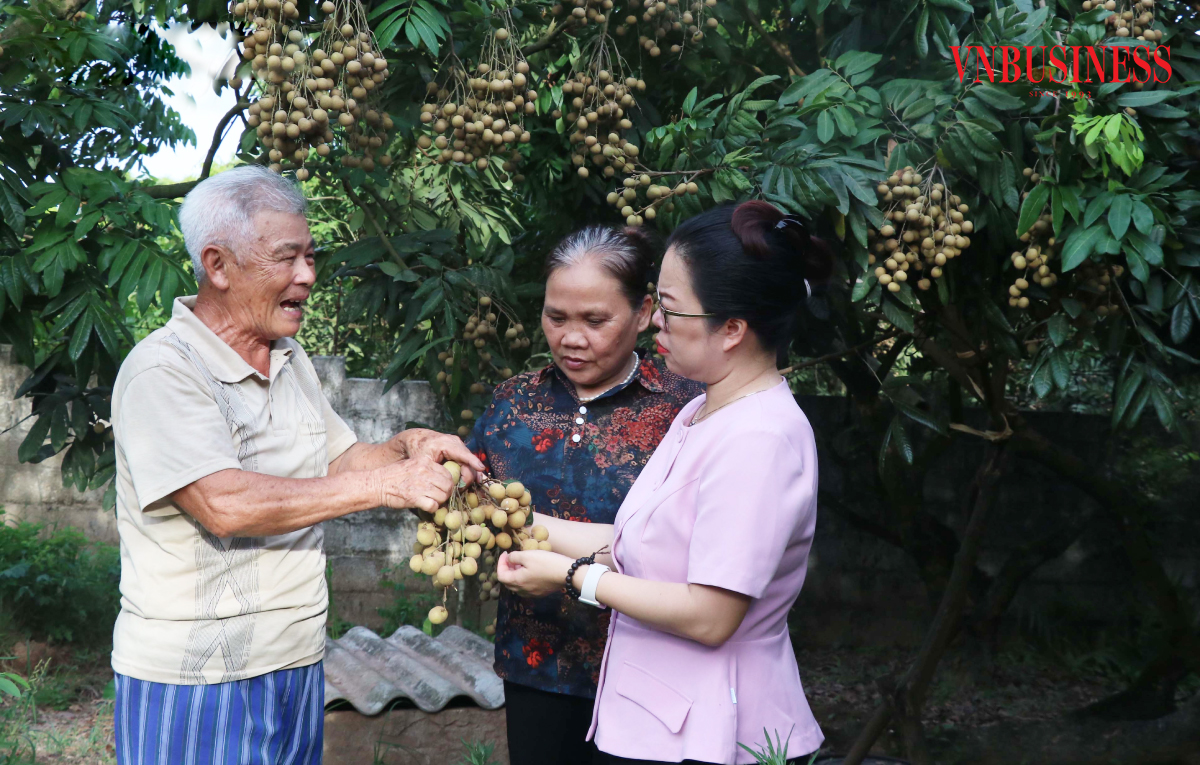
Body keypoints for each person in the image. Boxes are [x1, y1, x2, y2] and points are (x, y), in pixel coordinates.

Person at [109, 165, 483, 764]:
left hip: (297, 661)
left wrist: (405, 448)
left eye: (311, 256)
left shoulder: (289, 357)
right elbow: (224, 504)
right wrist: (387, 484)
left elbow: (340, 461)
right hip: (197, 678)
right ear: (218, 266)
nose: (308, 275)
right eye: (287, 258)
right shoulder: (163, 370)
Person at [496, 200, 832, 765]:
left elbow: (710, 615)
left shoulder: (760, 438)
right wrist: (508, 518)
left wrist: (571, 576)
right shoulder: (702, 411)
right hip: (655, 721)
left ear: (732, 329)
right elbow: (645, 545)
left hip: (712, 733)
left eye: (671, 310)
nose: (656, 322)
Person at [466, 225, 704, 765]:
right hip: (536, 666)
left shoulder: (689, 410)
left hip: (655, 673)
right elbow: (471, 495)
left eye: (595, 321)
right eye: (557, 317)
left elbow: (697, 550)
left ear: (643, 313)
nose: (572, 338)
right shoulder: (511, 403)